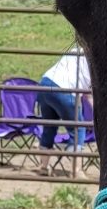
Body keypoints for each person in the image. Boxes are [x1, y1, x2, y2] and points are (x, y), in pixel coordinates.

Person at [35, 46, 92, 177]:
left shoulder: (76, 50)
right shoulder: (94, 58)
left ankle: (43, 166)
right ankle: (76, 171)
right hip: (63, 88)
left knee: (49, 128)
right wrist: (97, 116)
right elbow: (88, 95)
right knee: (78, 129)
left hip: (45, 83)